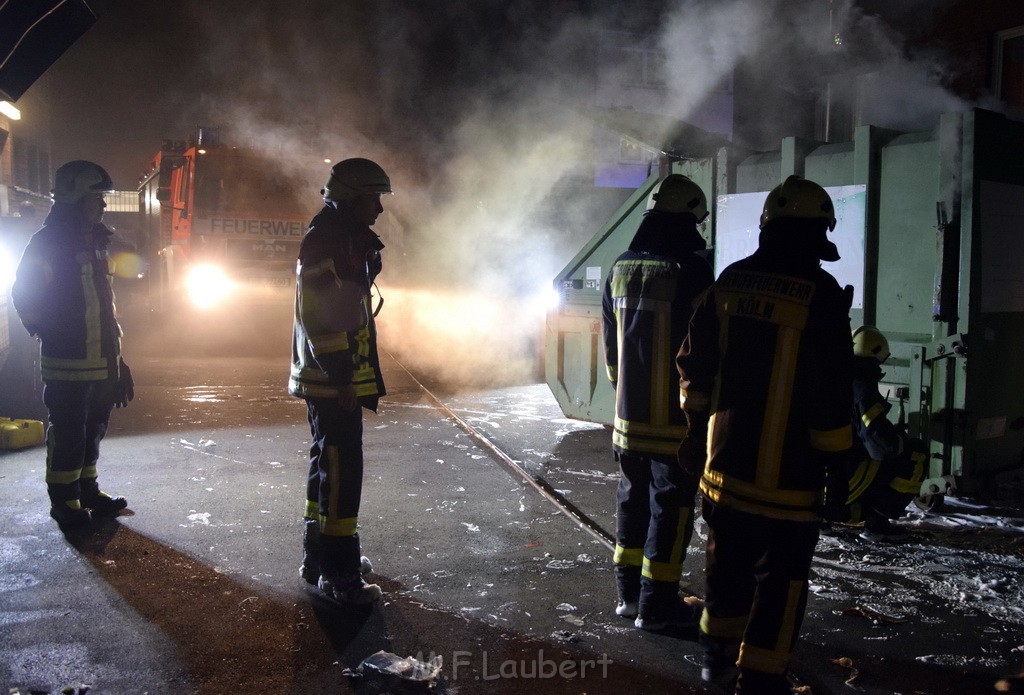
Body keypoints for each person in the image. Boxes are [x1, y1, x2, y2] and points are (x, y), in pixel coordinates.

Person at [676, 175, 854, 694]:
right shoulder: (820, 296)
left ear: (767, 227)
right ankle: (761, 680)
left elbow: (694, 366)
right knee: (782, 583)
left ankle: (715, 662)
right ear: (820, 231)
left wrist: (693, 434)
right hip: (790, 480)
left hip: (725, 469)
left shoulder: (729, 282)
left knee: (724, 569)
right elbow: (832, 395)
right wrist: (838, 470)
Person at [601, 174, 715, 631]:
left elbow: (611, 349)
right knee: (671, 512)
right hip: (675, 422)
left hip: (629, 419)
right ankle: (658, 607)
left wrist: (624, 393)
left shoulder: (620, 266)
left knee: (631, 502)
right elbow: (705, 346)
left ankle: (628, 597)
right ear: (688, 218)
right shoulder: (693, 270)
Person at [288, 157, 391, 607]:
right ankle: (340, 573)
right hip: (332, 381)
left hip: (332, 378)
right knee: (341, 471)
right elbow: (323, 314)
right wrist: (343, 376)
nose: (379, 209)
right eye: (373, 198)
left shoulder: (341, 237)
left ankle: (320, 557)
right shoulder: (327, 241)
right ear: (350, 196)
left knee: (327, 466)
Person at [11, 160, 134, 529]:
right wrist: (50, 333)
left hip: (101, 362)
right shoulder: (49, 243)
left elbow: (104, 310)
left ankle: (87, 489)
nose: (103, 206)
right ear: (75, 198)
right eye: (97, 198)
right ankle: (64, 501)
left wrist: (119, 362)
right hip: (67, 364)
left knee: (93, 429)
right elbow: (23, 294)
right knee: (68, 432)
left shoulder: (95, 242)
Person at [840, 325, 926, 541]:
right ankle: (877, 524)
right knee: (916, 454)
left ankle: (823, 518)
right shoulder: (863, 389)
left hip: (819, 484)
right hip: (845, 483)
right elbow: (880, 446)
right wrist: (900, 439)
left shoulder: (835, 377)